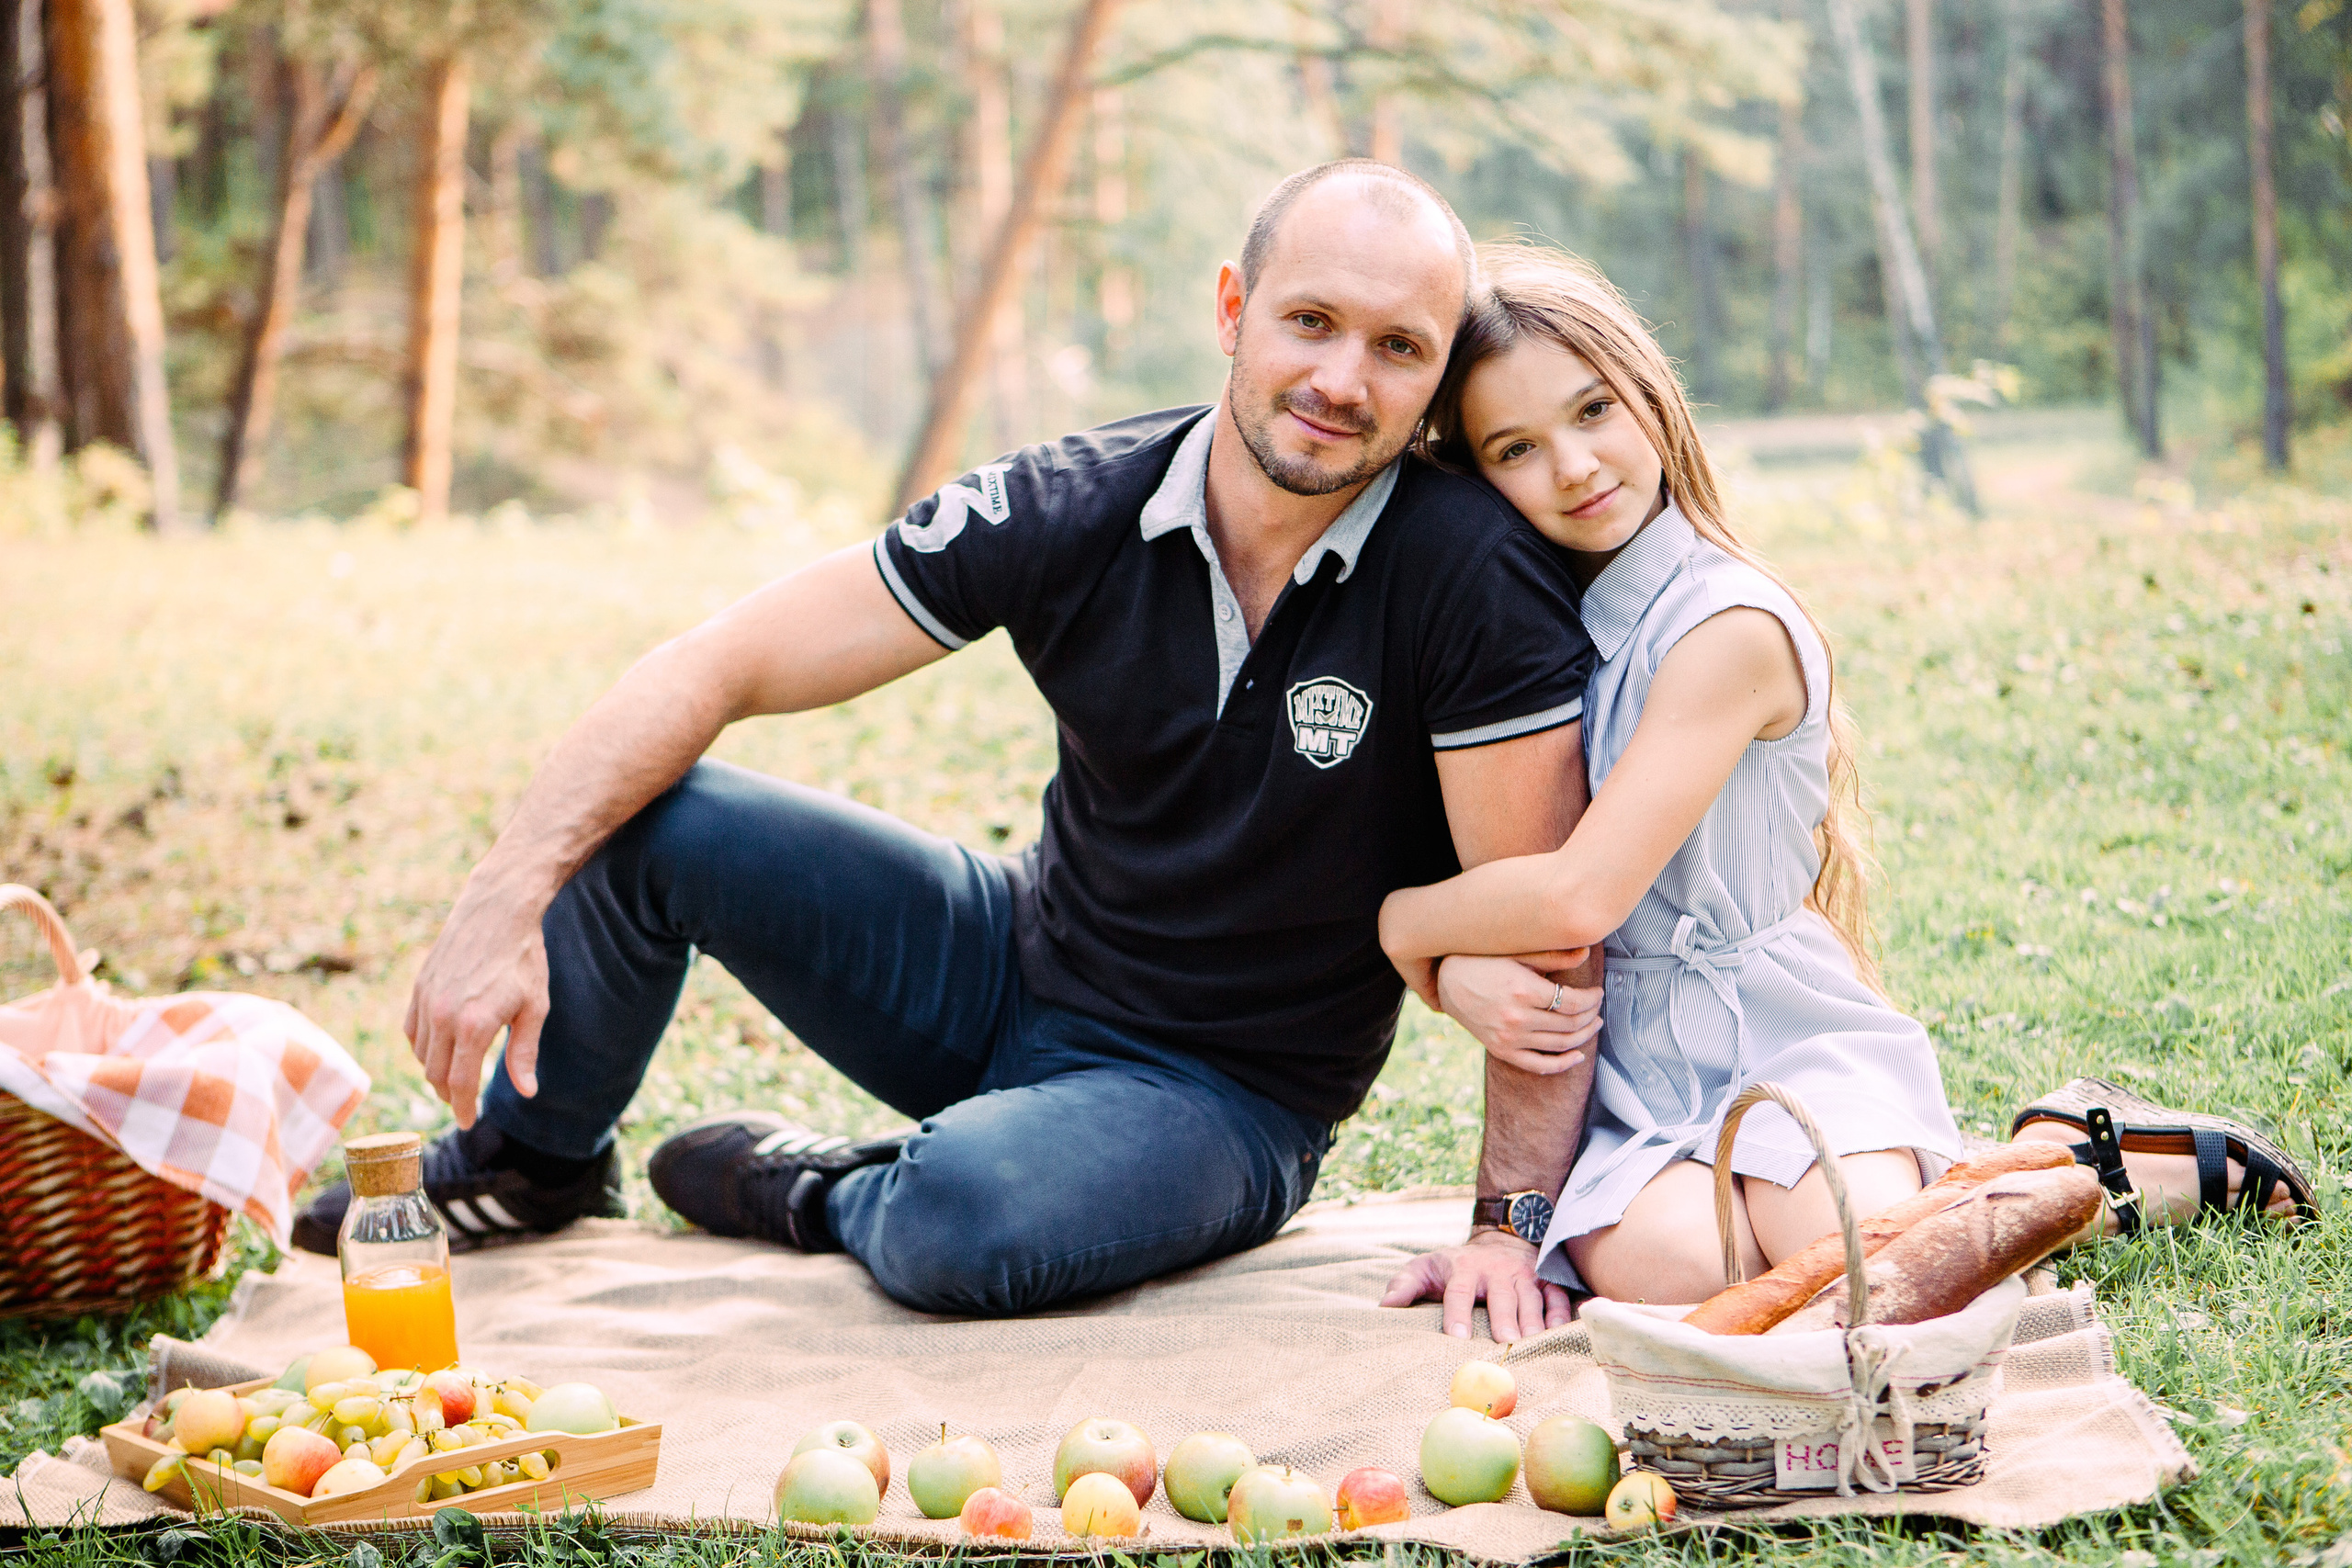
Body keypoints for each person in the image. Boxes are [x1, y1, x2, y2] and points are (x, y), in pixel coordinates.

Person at [291, 163, 1605, 1328]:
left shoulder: (1472, 576)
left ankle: (823, 1186)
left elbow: (1551, 933)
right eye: (1309, 321)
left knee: (963, 1216)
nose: (1340, 381)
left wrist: (1509, 1227)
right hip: (1011, 962)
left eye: (1397, 347)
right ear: (1231, 309)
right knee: (651, 816)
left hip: (1226, 1096)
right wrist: (501, 892)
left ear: (1437, 375)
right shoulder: (1072, 503)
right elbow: (716, 662)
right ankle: (535, 1159)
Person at [1374, 244, 2315, 1322]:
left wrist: (1408, 931)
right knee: (1679, 1278)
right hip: (1641, 1081)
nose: (1575, 465)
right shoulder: (1542, 634)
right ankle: (1970, 1186)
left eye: (1593, 410)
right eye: (1517, 448)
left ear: (1649, 394)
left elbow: (1579, 896)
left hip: (1786, 1035)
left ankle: (2087, 1170)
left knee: (1862, 1278)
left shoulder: (1724, 628)